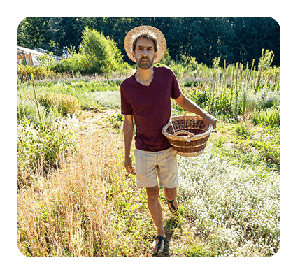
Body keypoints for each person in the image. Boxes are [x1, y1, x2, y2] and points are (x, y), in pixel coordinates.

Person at [121, 26, 217, 254]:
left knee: (169, 192)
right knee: (152, 193)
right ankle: (161, 233)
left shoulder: (166, 76)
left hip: (167, 148)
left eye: (149, 49)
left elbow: (182, 100)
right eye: (140, 49)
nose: (145, 53)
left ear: (155, 53)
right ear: (133, 53)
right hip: (143, 150)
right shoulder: (127, 86)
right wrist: (126, 155)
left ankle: (173, 201)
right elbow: (128, 122)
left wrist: (204, 115)